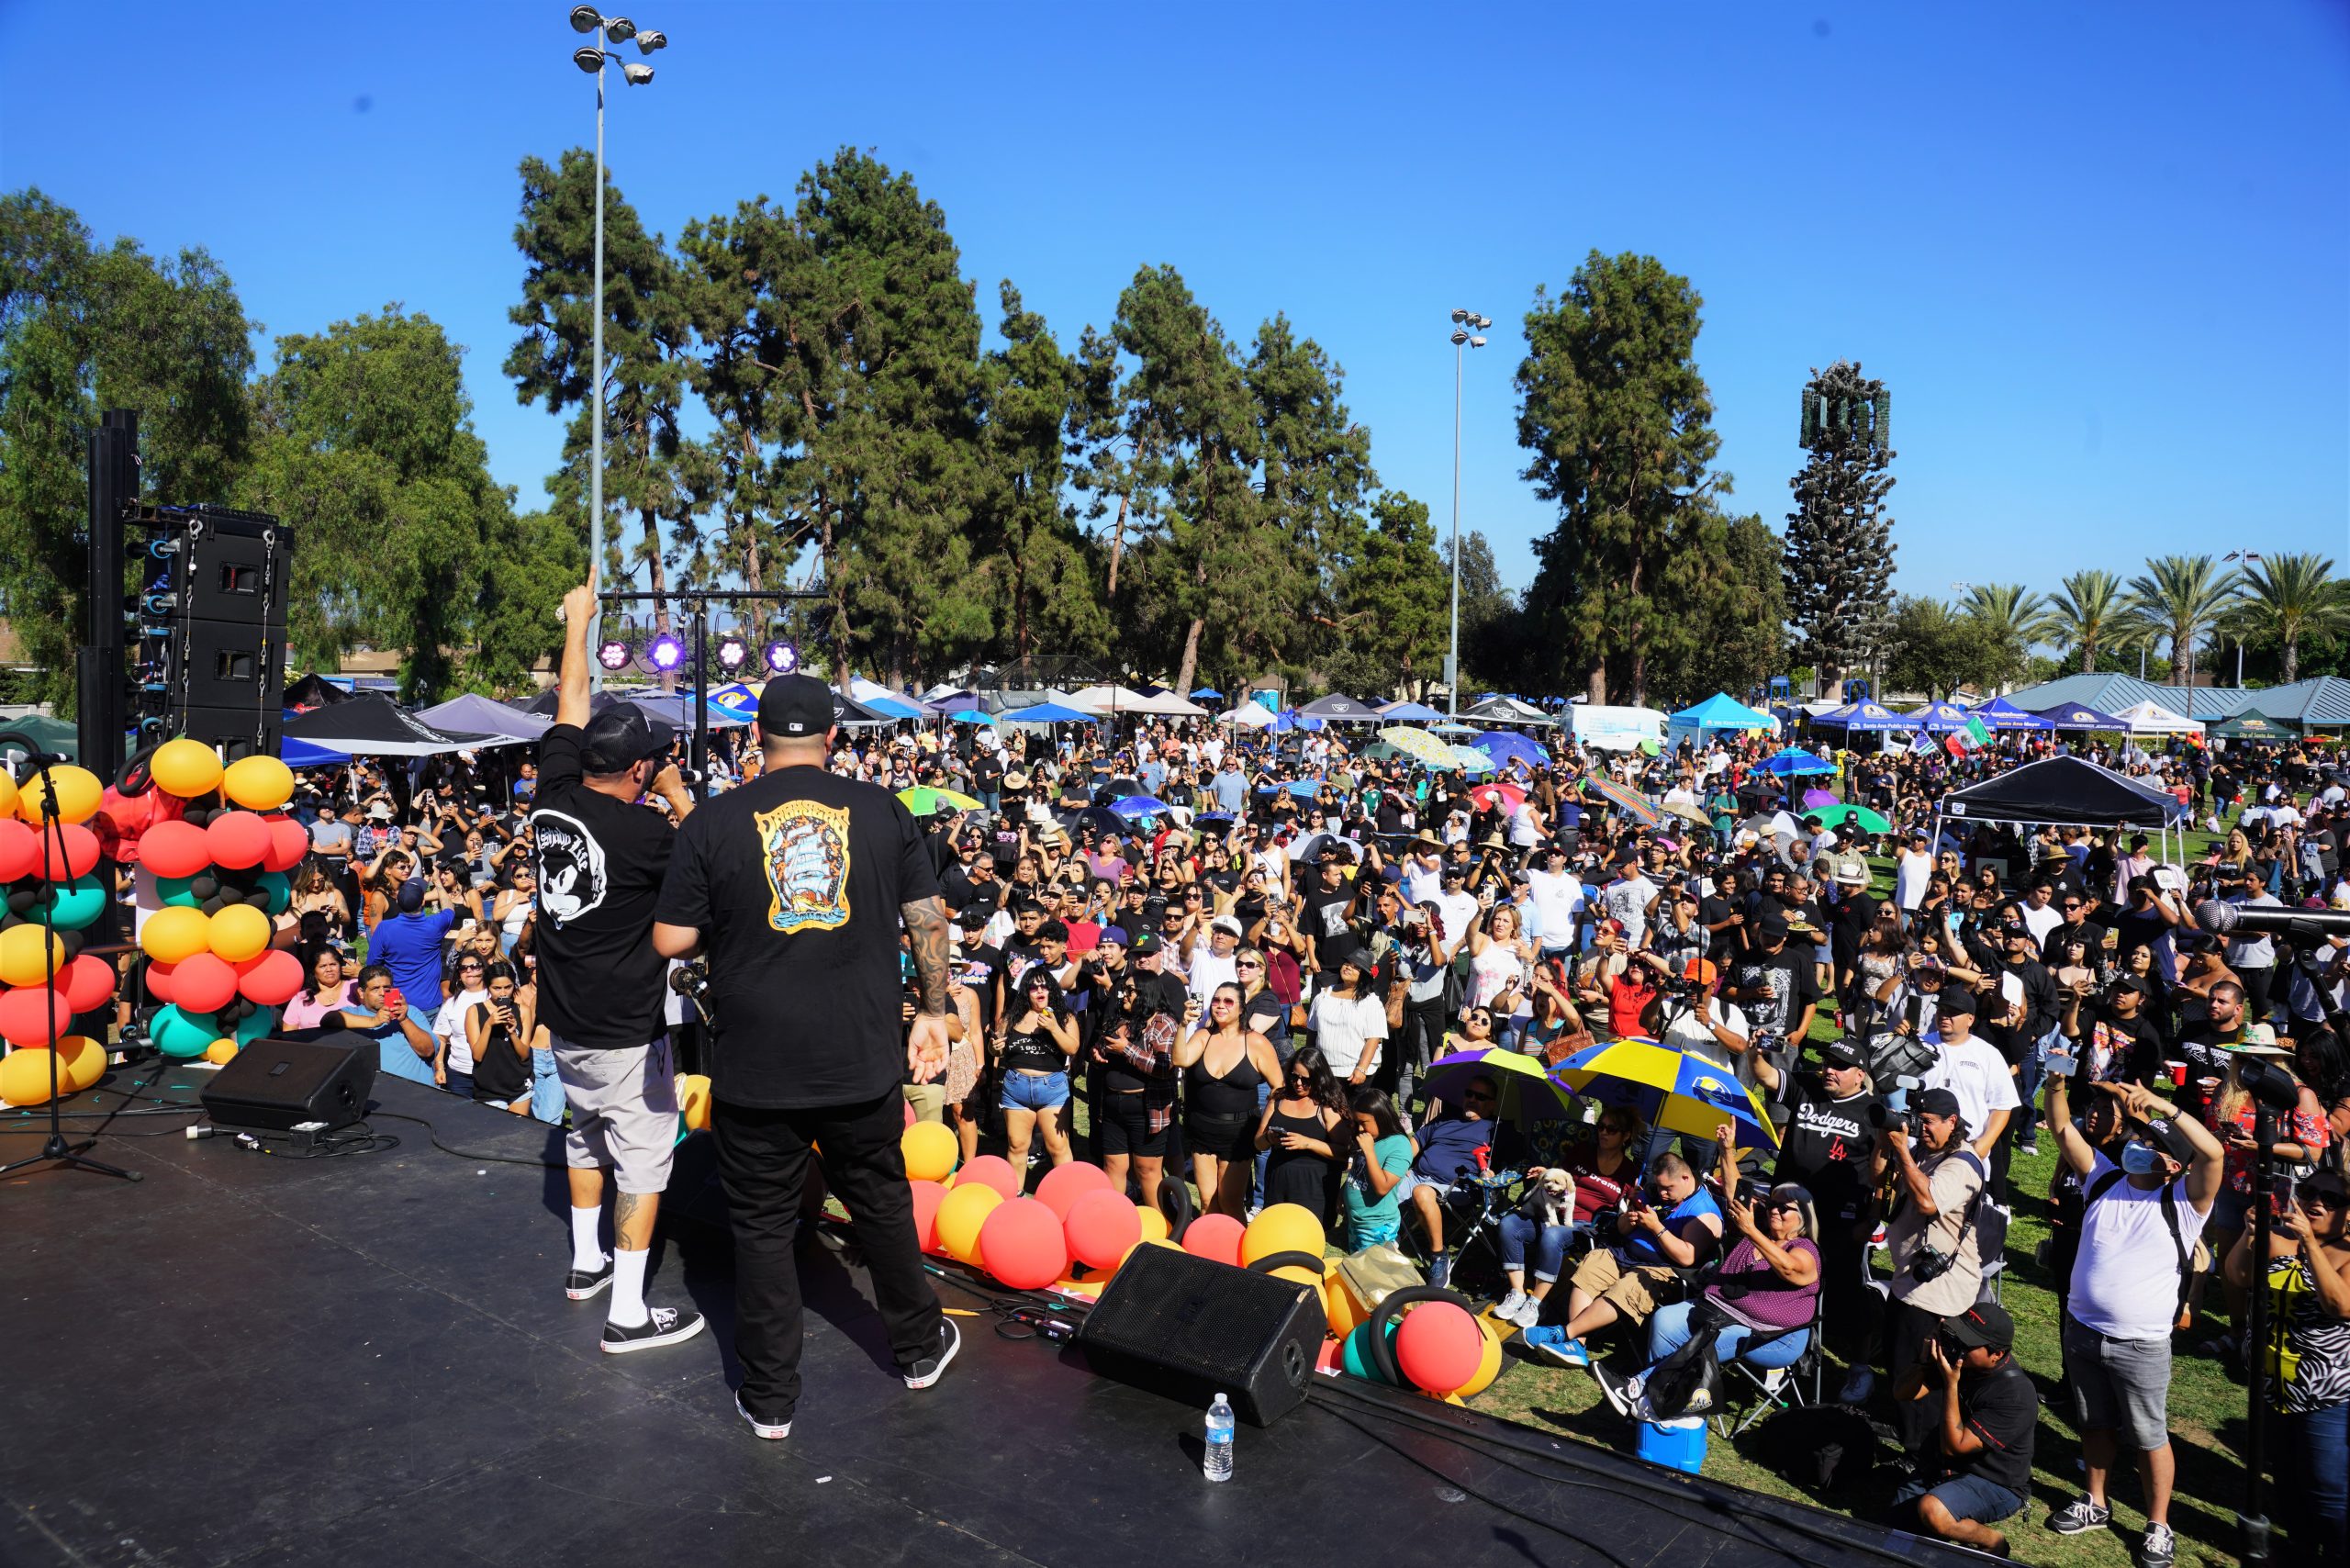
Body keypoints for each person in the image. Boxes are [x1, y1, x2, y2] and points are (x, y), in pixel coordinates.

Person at [652, 670, 959, 1439]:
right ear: (833, 739)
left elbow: (671, 940)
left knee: (760, 1230)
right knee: (881, 1205)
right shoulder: (883, 810)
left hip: (756, 1067)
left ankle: (769, 1400)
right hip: (857, 1058)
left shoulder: (714, 821)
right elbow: (927, 915)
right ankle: (919, 1352)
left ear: (756, 738)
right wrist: (932, 1009)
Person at [535, 576, 702, 1354]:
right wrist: (676, 796)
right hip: (628, 1028)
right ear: (638, 769)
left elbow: (571, 698)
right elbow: (717, 856)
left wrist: (580, 621)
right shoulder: (648, 838)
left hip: (565, 1017)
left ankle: (584, 1264)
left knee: (582, 1137)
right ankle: (628, 1312)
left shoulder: (551, 797)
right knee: (641, 1159)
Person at [2042, 1074, 2223, 1568]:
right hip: (2082, 1331)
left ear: (2170, 1162)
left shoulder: (2185, 1203)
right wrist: (2057, 1083)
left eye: (2148, 1143)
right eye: (2137, 1138)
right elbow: (2061, 1128)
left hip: (2140, 1345)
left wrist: (2164, 1105)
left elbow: (2214, 1156)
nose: (2136, 1146)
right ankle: (2096, 1502)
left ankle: (2158, 1524)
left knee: (2149, 1437)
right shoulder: (2102, 1176)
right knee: (2094, 1422)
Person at [2223, 1162, 2350, 1567]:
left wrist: (2311, 1245)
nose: (2316, 1202)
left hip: (2326, 1395)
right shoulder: (2278, 1239)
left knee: (2327, 1486)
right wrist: (2250, 1234)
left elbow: (2340, 1305)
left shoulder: (2346, 1253)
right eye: (2311, 1192)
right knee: (2288, 1479)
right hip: (2271, 1387)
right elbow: (2238, 1275)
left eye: (2331, 1199)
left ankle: (2336, 1554)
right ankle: (2299, 1548)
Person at [1748, 1036, 1883, 1398]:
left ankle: (1859, 1368)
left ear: (1860, 1074)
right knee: (1776, 1280)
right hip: (1787, 1214)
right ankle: (1777, 1357)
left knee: (1847, 1293)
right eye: (1827, 1063)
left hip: (1839, 1221)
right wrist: (1754, 1053)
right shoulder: (1807, 1085)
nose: (1829, 1071)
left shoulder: (1873, 1113)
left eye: (1839, 1066)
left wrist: (1872, 1217)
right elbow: (1766, 1077)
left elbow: (1884, 1173)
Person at [1527, 1150, 1723, 1368]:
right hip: (1624, 1251)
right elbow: (1621, 1229)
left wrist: (1657, 1228)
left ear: (1685, 1178)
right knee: (1592, 1266)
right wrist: (1628, 1220)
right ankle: (1576, 1345)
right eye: (1659, 1187)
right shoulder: (1652, 1192)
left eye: (1668, 1188)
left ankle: (1566, 1333)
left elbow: (1687, 1257)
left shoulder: (1704, 1212)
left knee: (1627, 1288)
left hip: (1661, 1269)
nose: (1662, 1193)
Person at [1874, 1087, 1989, 1451]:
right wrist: (1886, 1145)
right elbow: (1877, 1179)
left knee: (1920, 1371)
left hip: (1938, 1290)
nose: (1919, 1129)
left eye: (1928, 1123)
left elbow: (1927, 1202)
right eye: (1917, 1121)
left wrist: (1905, 1157)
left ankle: (1924, 1450)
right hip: (1910, 1279)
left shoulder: (1962, 1164)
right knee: (1897, 1359)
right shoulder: (1924, 1150)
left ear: (1952, 1122)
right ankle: (1906, 1430)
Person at [1886, 1302, 2038, 1559]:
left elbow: (1954, 1447)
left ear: (1997, 1355)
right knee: (1892, 1542)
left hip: (1995, 1483)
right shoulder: (1964, 1362)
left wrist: (1951, 1385)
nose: (1960, 1347)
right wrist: (1923, 1363)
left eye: (1969, 1343)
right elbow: (1902, 1393)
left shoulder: (2015, 1394)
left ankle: (1993, 1542)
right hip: (1946, 1470)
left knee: (1933, 1511)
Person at [1495, 1109, 1644, 1329]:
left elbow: (1629, 1212)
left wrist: (1635, 1197)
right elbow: (1560, 1177)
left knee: (1553, 1234)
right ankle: (1517, 1292)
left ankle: (1536, 1303)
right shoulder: (1583, 1151)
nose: (1603, 1132)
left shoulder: (1630, 1172)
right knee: (1509, 1224)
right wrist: (1546, 1173)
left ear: (1626, 1136)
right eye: (1600, 1126)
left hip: (1584, 1226)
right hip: (1550, 1212)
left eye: (1611, 1129)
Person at [1174, 981, 1281, 1216]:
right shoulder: (1203, 1036)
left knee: (1229, 1201)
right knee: (1206, 1201)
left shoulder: (1256, 1042)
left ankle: (1235, 1251)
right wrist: (1183, 1025)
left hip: (1239, 1134)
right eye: (1216, 1000)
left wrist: (1264, 1127)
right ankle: (1206, 1252)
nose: (1220, 1006)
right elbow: (1180, 1060)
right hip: (1202, 1129)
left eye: (1228, 1001)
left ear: (1242, 1008)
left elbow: (1278, 1088)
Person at [994, 971, 1080, 1173]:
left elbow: (1072, 1049)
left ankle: (1066, 1199)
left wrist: (1053, 1027)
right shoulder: (1012, 1017)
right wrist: (994, 1047)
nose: (1039, 990)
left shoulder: (1065, 1017)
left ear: (1051, 990)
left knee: (1058, 1147)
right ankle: (1016, 1197)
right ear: (1026, 992)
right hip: (1016, 1088)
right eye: (1033, 987)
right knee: (1017, 1146)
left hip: (1052, 1089)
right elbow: (997, 1048)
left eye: (1044, 986)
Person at [1257, 1046, 1348, 1227]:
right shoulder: (1278, 1098)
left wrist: (1308, 1143)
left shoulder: (1327, 1106)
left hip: (1313, 1189)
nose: (1298, 1084)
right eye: (1294, 1076)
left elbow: (1344, 1152)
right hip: (1278, 1182)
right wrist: (1268, 1138)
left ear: (1319, 1078)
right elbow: (1258, 1143)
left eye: (1306, 1080)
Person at [1339, 1087, 1416, 1249]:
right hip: (1357, 1223)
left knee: (1372, 1271)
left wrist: (1369, 1151)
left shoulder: (1399, 1145)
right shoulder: (1370, 1139)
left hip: (1376, 1226)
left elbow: (1382, 1187)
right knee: (1359, 1267)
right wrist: (1343, 1193)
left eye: (1363, 1123)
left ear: (1381, 1118)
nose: (1359, 1129)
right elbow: (1358, 1172)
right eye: (1357, 1123)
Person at [464, 961, 540, 1114]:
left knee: (518, 1133)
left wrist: (512, 1032)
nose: (503, 993)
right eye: (497, 988)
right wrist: (488, 1025)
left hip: (519, 1084)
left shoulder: (523, 1011)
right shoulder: (475, 1011)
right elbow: (477, 1055)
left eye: (508, 987)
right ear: (487, 987)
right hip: (489, 1086)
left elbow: (524, 1054)